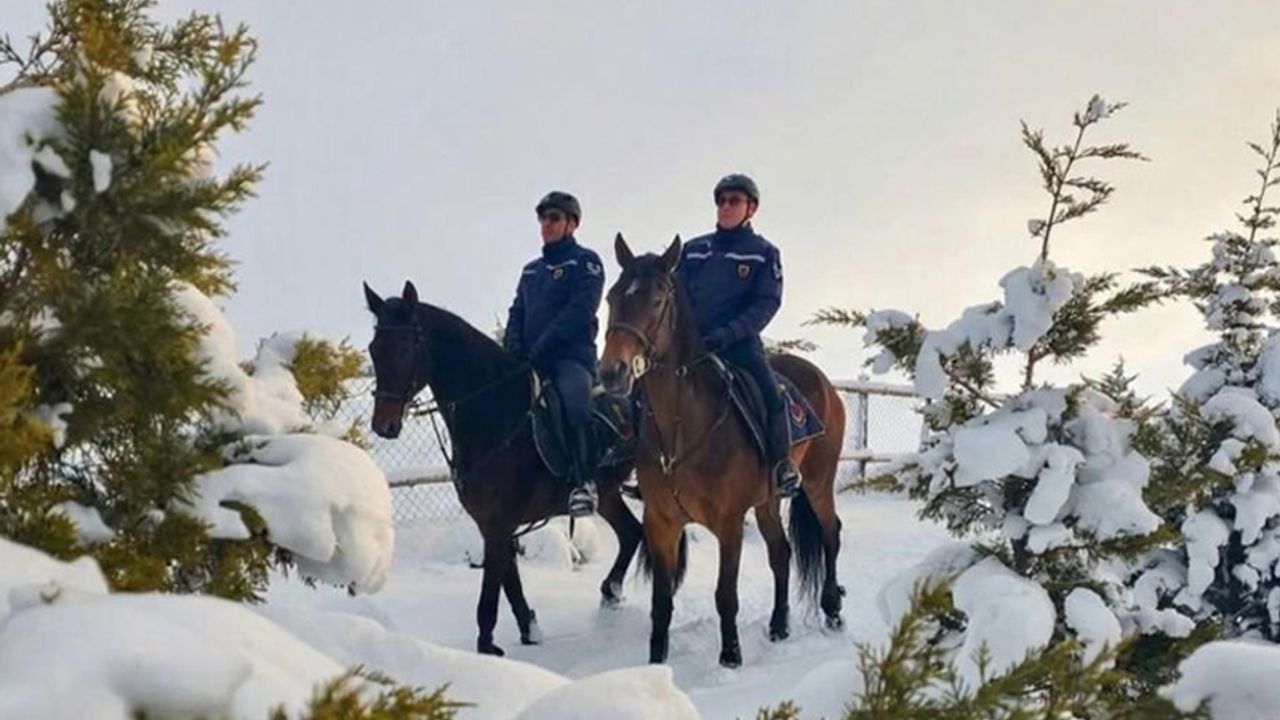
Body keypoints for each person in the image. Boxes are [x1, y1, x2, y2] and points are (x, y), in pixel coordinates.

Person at [675, 174, 801, 497]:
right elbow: (675, 295)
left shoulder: (764, 252)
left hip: (739, 346)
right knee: (648, 388)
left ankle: (781, 465)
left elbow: (767, 303)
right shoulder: (693, 249)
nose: (726, 207)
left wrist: (727, 335)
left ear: (751, 208)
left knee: (771, 396)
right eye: (721, 201)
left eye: (734, 201)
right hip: (692, 347)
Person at [503, 191, 605, 517]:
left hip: (570, 358)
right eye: (543, 218)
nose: (547, 224)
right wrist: (513, 349)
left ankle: (584, 482)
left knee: (575, 401)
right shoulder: (531, 271)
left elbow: (580, 310)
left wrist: (542, 348)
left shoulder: (586, 262)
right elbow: (517, 311)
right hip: (528, 358)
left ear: (571, 224)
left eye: (554, 218)